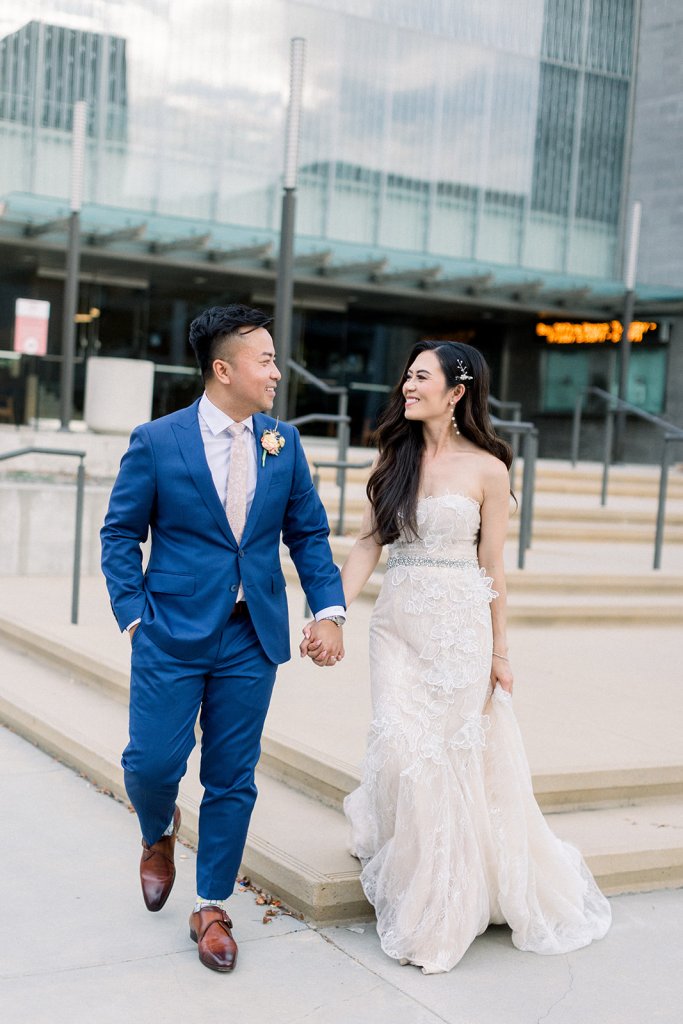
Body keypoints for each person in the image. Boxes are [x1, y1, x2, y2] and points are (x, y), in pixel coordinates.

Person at [304, 340, 611, 974]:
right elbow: (366, 544)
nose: (408, 386)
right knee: (399, 746)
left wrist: (501, 652)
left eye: (422, 377)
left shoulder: (489, 470)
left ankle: (441, 904)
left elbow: (493, 565)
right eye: (408, 376)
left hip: (458, 631)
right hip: (396, 626)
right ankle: (415, 866)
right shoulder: (394, 457)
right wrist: (331, 613)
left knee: (441, 759)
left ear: (457, 392)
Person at [101, 305, 346, 973]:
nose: (276, 372)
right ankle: (158, 830)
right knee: (150, 765)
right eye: (265, 360)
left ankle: (211, 905)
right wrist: (133, 614)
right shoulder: (158, 440)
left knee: (232, 776)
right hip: (169, 631)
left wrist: (328, 610)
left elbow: (308, 535)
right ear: (223, 369)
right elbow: (120, 533)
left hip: (251, 634)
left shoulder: (283, 442)